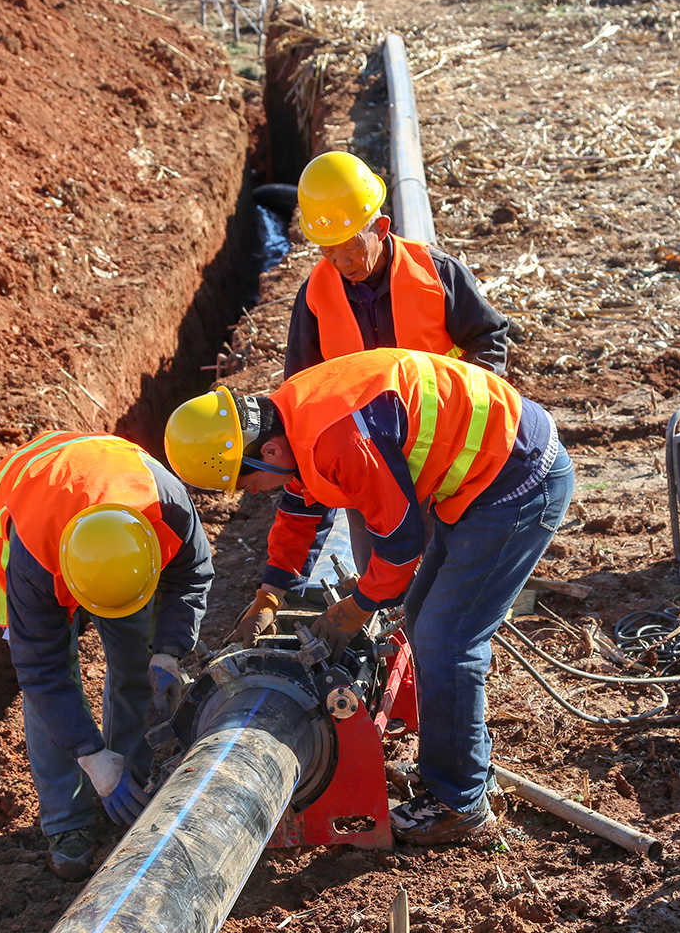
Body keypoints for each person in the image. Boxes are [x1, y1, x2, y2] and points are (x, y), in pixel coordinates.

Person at [164, 348, 572, 845]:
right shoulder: (288, 418)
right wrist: (270, 594)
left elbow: (399, 546)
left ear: (266, 452)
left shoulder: (339, 439)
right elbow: (298, 510)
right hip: (482, 473)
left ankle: (459, 802)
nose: (250, 493)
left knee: (447, 639)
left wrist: (356, 608)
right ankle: (459, 770)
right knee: (423, 620)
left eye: (245, 482)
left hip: (516, 480)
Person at [0, 431, 212, 879]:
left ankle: (131, 781)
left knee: (137, 659)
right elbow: (42, 672)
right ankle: (68, 823)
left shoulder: (167, 509)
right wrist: (90, 755)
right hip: (37, 515)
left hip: (114, 505)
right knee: (48, 696)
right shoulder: (34, 563)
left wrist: (168, 652)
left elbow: (193, 575)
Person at [281, 150, 511, 588]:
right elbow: (300, 391)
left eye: (351, 247)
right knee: (383, 579)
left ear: (381, 228)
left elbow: (489, 337)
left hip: (443, 457)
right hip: (366, 466)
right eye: (329, 252)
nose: (342, 264)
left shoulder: (436, 273)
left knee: (447, 580)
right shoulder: (314, 295)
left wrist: (472, 412)